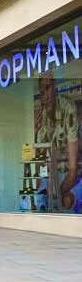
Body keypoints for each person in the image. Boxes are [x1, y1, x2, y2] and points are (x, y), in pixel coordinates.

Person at [34, 73, 82, 212]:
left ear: (55, 88)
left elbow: (73, 170)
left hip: (74, 175)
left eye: (48, 89)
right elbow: (40, 162)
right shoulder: (44, 115)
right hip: (54, 174)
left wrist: (56, 195)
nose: (46, 96)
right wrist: (36, 133)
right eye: (42, 92)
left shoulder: (68, 108)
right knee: (40, 202)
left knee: (65, 201)